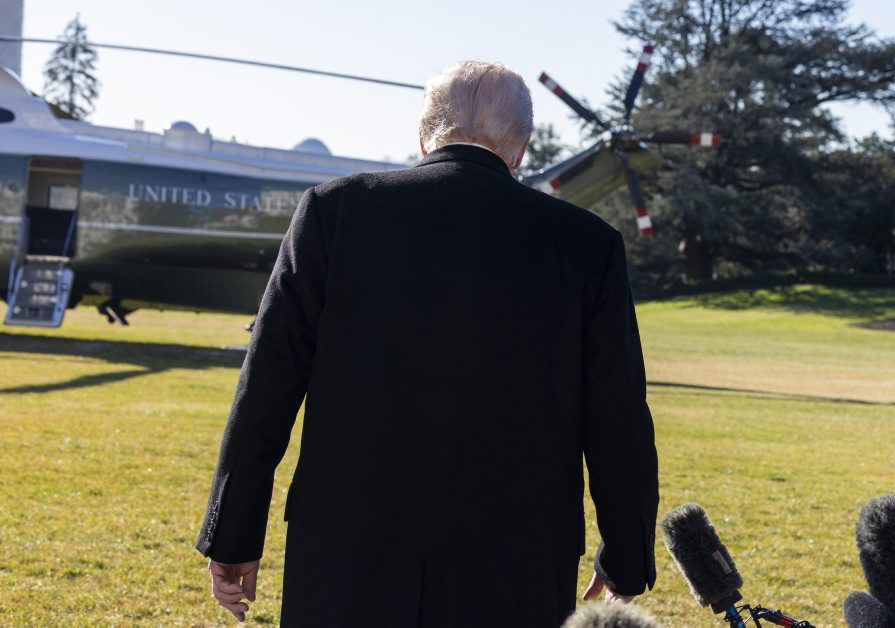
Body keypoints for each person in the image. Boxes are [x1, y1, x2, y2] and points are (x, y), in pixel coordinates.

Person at [196, 60, 658, 626]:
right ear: (521, 149)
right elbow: (618, 415)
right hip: (516, 560)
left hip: (347, 550)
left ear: (423, 136)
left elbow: (268, 385)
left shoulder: (333, 213)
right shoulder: (589, 245)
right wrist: (626, 555)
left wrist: (233, 532)